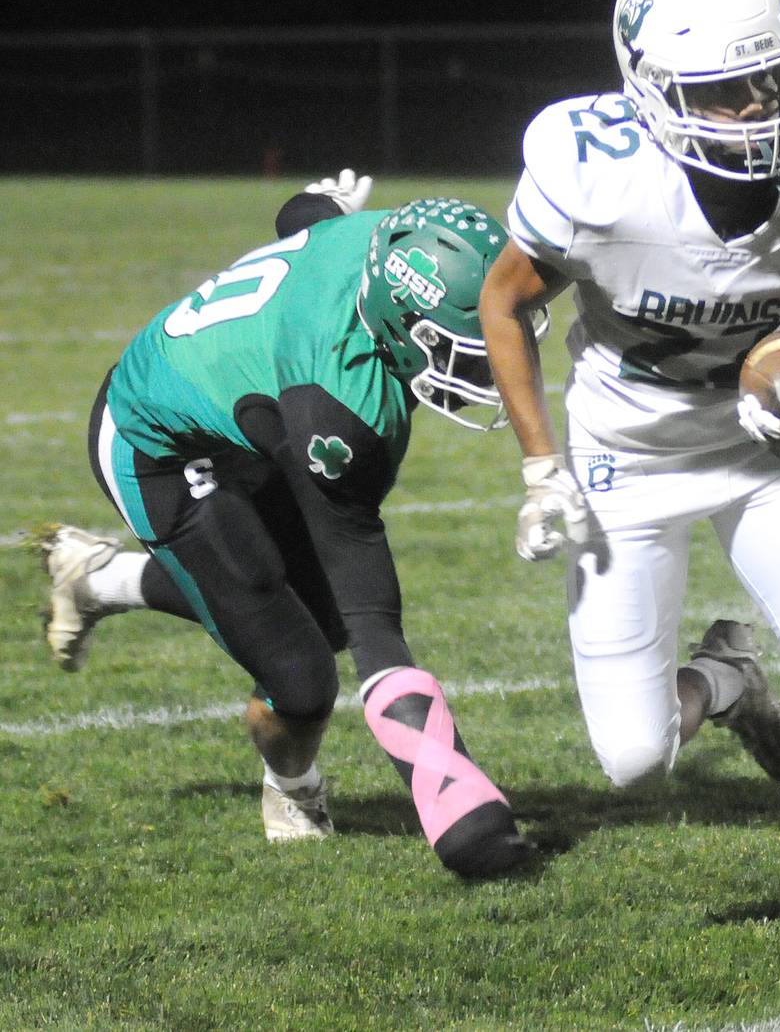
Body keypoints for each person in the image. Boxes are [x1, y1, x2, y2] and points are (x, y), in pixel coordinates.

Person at [479, 0, 780, 926]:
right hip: (624, 453)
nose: (758, 107)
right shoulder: (595, 174)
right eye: (726, 90)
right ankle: (727, 678)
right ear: (648, 87)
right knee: (634, 758)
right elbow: (505, 305)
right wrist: (543, 469)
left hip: (763, 455)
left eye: (771, 76)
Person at [35, 171, 537, 877]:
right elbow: (376, 625)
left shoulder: (374, 242)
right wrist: (450, 792)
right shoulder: (336, 409)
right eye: (465, 342)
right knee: (303, 677)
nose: (488, 362)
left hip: (243, 416)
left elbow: (303, 215)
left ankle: (99, 579)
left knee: (309, 616)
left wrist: (324, 206)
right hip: (155, 441)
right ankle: (293, 790)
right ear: (404, 321)